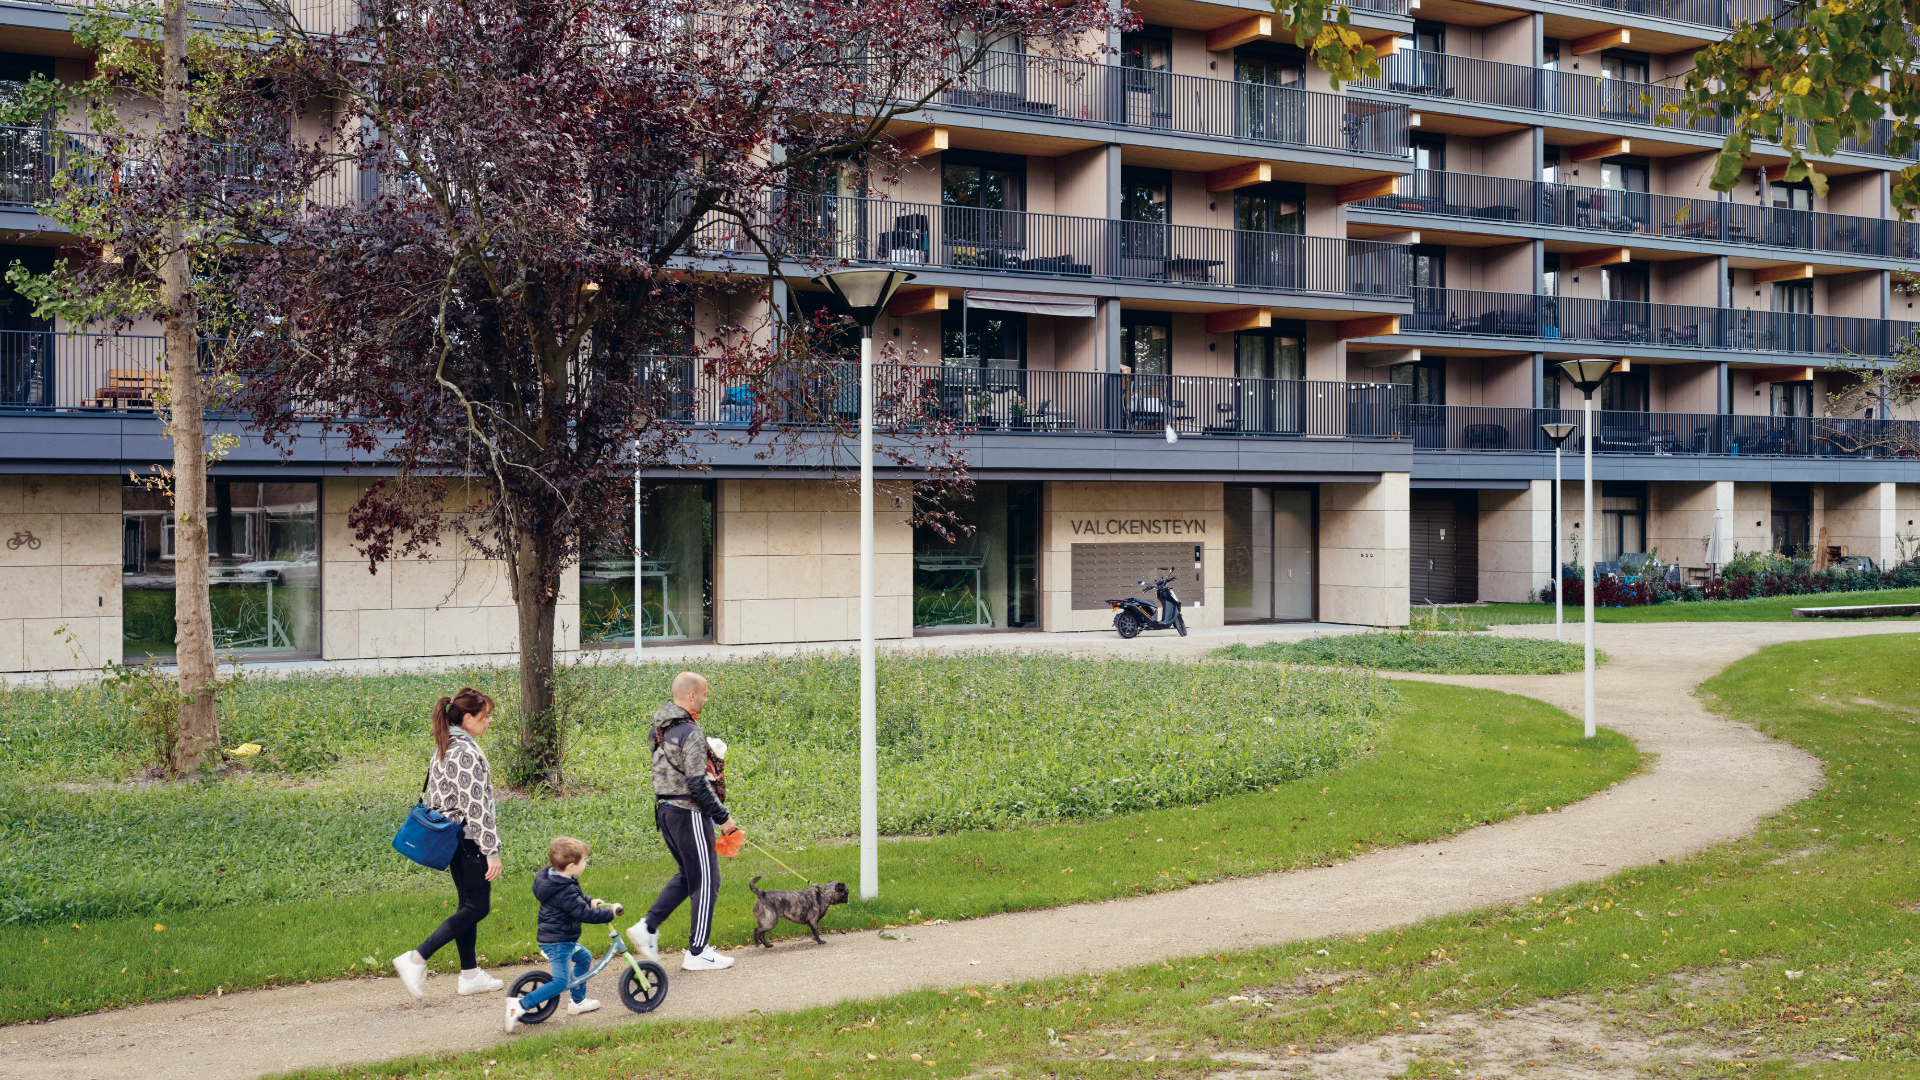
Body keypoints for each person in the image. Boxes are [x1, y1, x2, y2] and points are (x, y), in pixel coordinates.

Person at [392, 688, 505, 999]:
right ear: (467, 719)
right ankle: (416, 958)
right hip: (469, 841)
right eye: (484, 717)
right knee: (477, 907)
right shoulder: (464, 753)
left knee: (467, 904)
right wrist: (490, 850)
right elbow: (476, 806)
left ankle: (469, 974)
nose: (488, 721)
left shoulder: (447, 744)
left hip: (455, 841)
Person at [630, 670, 743, 971]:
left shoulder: (659, 730)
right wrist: (724, 818)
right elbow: (696, 782)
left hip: (666, 811)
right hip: (689, 812)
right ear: (692, 696)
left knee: (688, 875)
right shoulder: (691, 732)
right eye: (705, 694)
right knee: (707, 880)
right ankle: (697, 951)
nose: (706, 699)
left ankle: (648, 926)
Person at [504, 837, 622, 1031]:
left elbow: (574, 899)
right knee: (561, 982)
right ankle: (519, 1006)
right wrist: (610, 912)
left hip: (560, 938)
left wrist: (589, 900)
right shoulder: (564, 888)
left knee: (584, 957)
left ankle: (577, 1002)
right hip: (557, 942)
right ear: (570, 866)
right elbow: (582, 912)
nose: (585, 864)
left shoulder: (554, 878)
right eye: (583, 861)